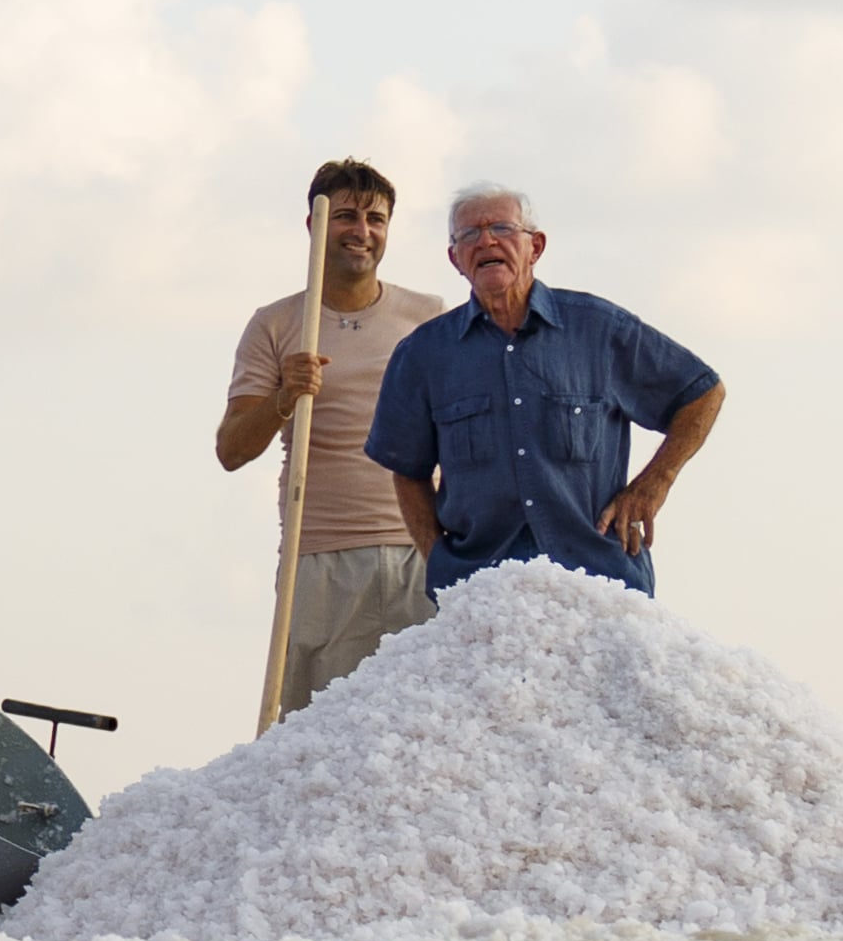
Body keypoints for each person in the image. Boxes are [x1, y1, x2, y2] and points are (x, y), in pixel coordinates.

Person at [362, 187, 723, 601]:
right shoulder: (423, 354)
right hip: (482, 595)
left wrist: (653, 484)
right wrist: (438, 558)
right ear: (455, 259)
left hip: (603, 585)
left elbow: (703, 392)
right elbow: (406, 468)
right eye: (469, 235)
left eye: (501, 228)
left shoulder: (598, 330)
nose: (486, 241)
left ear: (535, 247)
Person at [215, 161, 450, 715]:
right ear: (315, 225)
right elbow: (231, 450)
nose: (361, 231)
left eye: (376, 218)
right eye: (345, 216)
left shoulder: (429, 318)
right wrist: (283, 397)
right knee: (312, 730)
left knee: (425, 727)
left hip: (422, 549)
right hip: (320, 556)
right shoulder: (277, 324)